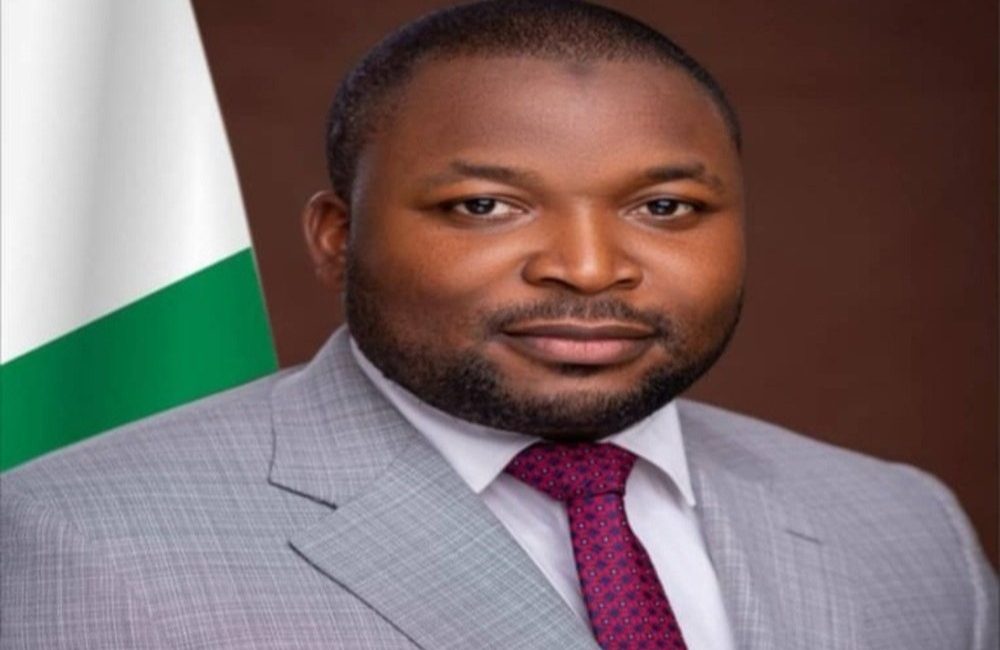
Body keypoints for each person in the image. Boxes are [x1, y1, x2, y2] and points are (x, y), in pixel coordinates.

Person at [2, 1, 995, 648]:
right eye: (485, 205)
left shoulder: (905, 524)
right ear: (336, 237)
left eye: (664, 206)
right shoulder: (77, 540)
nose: (589, 266)